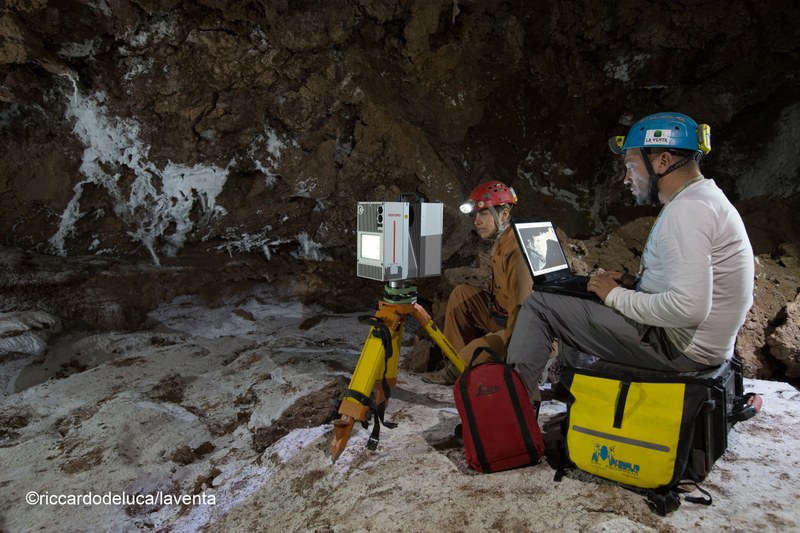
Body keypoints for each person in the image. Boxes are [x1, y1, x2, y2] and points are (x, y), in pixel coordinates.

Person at [506, 112, 755, 400]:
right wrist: (635, 284)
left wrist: (616, 296)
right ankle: (575, 392)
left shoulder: (687, 211)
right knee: (579, 297)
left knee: (541, 305)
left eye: (631, 166)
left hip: (679, 349)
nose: (626, 179)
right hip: (699, 344)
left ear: (663, 161)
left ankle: (513, 413)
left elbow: (689, 308)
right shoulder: (704, 199)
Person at [422, 180, 533, 385]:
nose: (476, 221)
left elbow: (522, 314)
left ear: (504, 215)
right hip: (502, 314)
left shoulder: (516, 252)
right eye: (476, 215)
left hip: (525, 331)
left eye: (483, 214)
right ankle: (454, 362)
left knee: (479, 349)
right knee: (461, 294)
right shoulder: (503, 239)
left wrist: (515, 359)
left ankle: (460, 368)